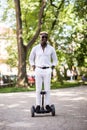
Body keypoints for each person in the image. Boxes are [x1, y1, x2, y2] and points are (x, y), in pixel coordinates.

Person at [29, 31, 58, 112]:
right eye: (43, 37)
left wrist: (52, 66)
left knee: (47, 89)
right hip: (38, 69)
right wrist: (33, 65)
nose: (44, 39)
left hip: (47, 70)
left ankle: (47, 105)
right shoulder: (35, 48)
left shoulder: (51, 48)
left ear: (47, 39)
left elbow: (55, 59)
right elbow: (31, 58)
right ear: (40, 38)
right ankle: (38, 105)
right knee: (38, 89)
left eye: (46, 37)